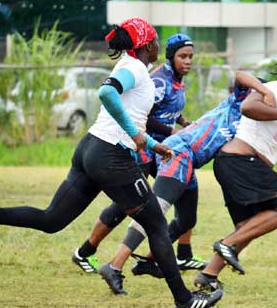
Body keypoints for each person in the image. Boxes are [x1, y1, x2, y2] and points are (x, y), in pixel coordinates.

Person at [0, 18, 223, 307]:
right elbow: (106, 93)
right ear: (146, 44)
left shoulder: (131, 66)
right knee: (155, 223)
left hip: (91, 147)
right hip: (110, 156)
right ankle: (185, 300)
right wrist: (135, 134)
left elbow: (126, 112)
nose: (157, 45)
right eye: (155, 40)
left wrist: (154, 144)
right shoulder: (135, 67)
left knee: (51, 219)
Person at [96, 71, 274, 295]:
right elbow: (240, 75)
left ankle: (149, 261)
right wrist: (265, 90)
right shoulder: (238, 100)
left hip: (190, 162)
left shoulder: (249, 123)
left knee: (187, 218)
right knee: (155, 209)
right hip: (179, 151)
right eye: (257, 95)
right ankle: (114, 266)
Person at [71, 33, 204, 275]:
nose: (188, 61)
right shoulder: (159, 81)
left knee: (183, 191)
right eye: (183, 56)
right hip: (145, 149)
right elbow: (147, 116)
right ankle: (86, 251)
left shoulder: (176, 79)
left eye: (191, 57)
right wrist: (169, 130)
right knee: (126, 205)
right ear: (170, 56)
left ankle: (184, 254)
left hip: (163, 149)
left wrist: (184, 122)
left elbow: (169, 109)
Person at [192, 52, 277, 292]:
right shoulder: (276, 89)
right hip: (241, 161)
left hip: (238, 163)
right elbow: (248, 107)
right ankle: (225, 244)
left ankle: (208, 275)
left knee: (247, 227)